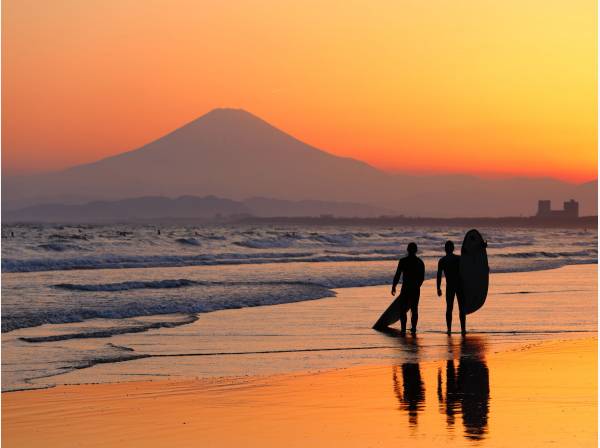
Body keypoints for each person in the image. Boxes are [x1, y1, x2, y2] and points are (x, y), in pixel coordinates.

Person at [373, 242, 425, 335]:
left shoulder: (403, 261)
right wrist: (417, 286)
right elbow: (422, 278)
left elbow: (397, 275)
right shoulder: (420, 262)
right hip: (415, 289)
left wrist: (394, 286)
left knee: (403, 310)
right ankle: (413, 328)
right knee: (414, 309)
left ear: (407, 250)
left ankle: (403, 328)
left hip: (405, 288)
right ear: (416, 250)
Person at [437, 240, 465, 335]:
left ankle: (449, 329)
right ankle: (463, 329)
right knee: (462, 308)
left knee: (449, 308)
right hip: (459, 285)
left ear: (445, 249)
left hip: (450, 286)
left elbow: (439, 275)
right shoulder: (459, 259)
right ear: (453, 249)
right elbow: (470, 267)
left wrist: (438, 288)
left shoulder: (442, 261)